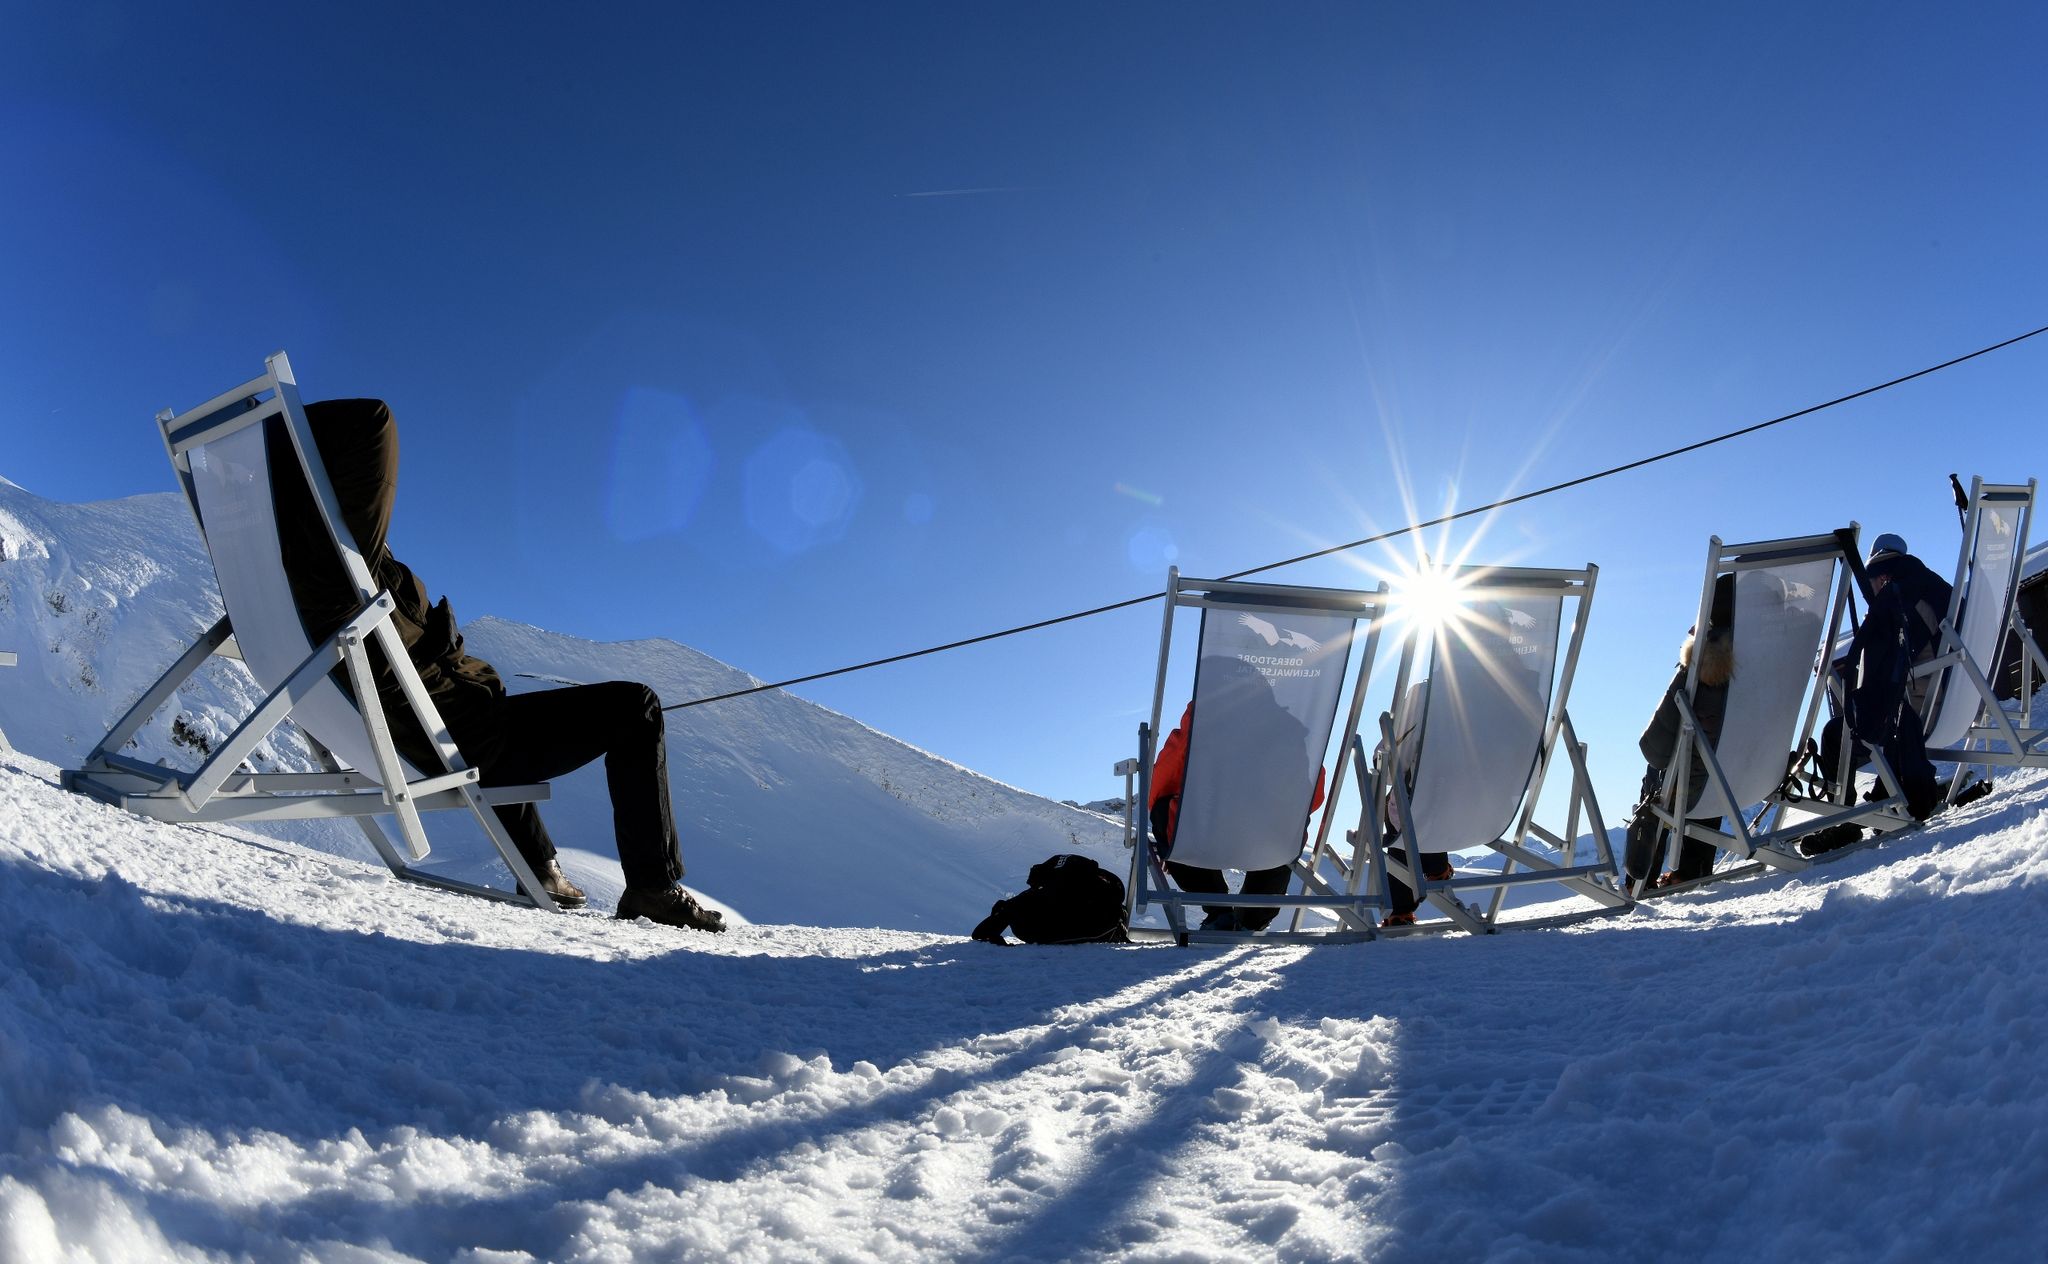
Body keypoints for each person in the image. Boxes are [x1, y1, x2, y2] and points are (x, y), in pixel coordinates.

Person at [267, 398, 724, 932]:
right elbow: (373, 420)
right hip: (457, 733)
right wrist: (283, 430)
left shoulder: (291, 576)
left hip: (434, 726)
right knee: (635, 706)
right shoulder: (335, 571)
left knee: (489, 717)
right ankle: (652, 885)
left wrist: (261, 456)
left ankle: (537, 862)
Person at [1148, 668, 1327, 933]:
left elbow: (1163, 779)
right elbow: (1311, 793)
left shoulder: (1199, 723)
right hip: (1270, 842)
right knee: (1290, 822)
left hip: (1202, 835)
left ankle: (1219, 910)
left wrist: (1161, 813)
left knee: (1166, 815)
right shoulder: (1289, 729)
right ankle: (1253, 918)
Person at [1809, 533, 1951, 848]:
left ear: (1882, 575)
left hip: (1918, 713)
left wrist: (1852, 694)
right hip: (1954, 699)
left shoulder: (1895, 599)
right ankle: (1887, 794)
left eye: (1872, 584)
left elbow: (1885, 673)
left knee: (1836, 732)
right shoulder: (1937, 587)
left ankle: (1842, 821)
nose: (1872, 591)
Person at [1629, 573, 1737, 889]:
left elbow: (1654, 747)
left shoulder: (1699, 666)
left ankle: (1640, 878)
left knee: (1661, 771)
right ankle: (1693, 868)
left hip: (1697, 785)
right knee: (1712, 757)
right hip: (1747, 772)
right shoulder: (1766, 662)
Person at [1376, 679, 1453, 928]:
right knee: (1428, 797)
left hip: (1428, 809)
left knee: (1401, 805)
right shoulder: (1521, 686)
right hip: (1496, 809)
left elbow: (1387, 768)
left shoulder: (1426, 694)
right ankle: (1437, 867)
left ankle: (1400, 909)